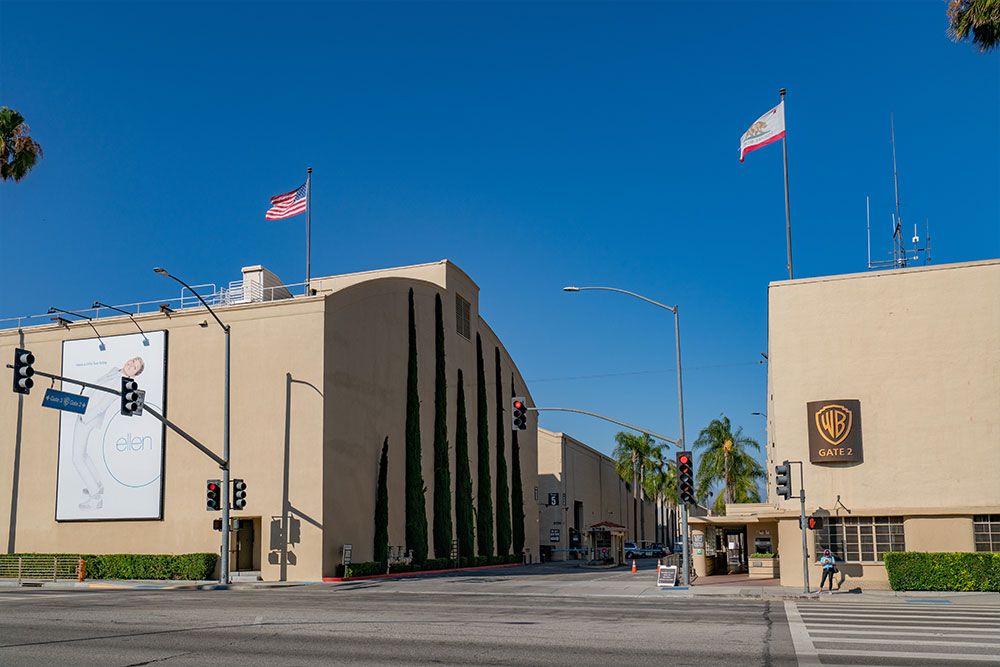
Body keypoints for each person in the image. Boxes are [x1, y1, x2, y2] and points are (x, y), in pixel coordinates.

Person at [70, 356, 145, 511]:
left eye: (134, 367)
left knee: (76, 458)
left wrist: (86, 417)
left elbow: (103, 405)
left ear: (135, 374)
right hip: (83, 407)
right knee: (83, 454)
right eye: (131, 361)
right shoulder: (114, 371)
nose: (130, 365)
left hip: (88, 416)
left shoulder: (122, 383)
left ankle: (95, 495)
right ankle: (97, 484)